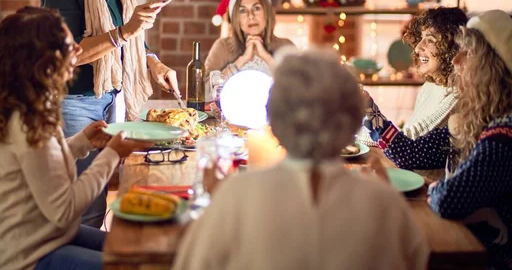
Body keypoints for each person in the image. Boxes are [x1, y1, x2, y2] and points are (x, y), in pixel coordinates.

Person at [173, 48, 429, 270]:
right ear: (351, 122)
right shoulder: (384, 202)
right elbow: (415, 261)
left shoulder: (235, 195)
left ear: (273, 119)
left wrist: (216, 205)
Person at [0, 7, 149, 270]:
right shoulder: (29, 123)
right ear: (42, 61)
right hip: (29, 257)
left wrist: (82, 142)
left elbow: (42, 164)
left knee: (138, 255)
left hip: (43, 238)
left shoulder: (25, 107)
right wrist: (113, 153)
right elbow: (65, 209)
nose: (78, 50)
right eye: (68, 45)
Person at [41, 0, 178, 227]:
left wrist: (153, 61)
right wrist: (125, 32)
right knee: (83, 207)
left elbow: (128, 38)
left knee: (96, 199)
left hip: (103, 101)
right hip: (73, 104)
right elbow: (64, 54)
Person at [371, 10, 512, 268]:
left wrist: (436, 189)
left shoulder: (503, 137)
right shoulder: (473, 123)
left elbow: (450, 199)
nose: (456, 61)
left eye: (467, 53)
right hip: (460, 240)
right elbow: (415, 153)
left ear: (490, 67)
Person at [358, 7, 468, 147]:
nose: (417, 48)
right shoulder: (431, 85)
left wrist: (367, 112)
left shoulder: (456, 95)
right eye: (421, 38)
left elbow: (406, 142)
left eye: (430, 40)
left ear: (451, 46)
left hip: (409, 170)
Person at [205, 0, 294, 86]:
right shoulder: (223, 47)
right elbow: (203, 91)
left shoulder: (285, 46)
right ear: (235, 19)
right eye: (242, 11)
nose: (250, 16)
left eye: (256, 8)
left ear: (267, 13)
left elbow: (300, 87)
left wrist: (267, 58)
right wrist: (242, 60)